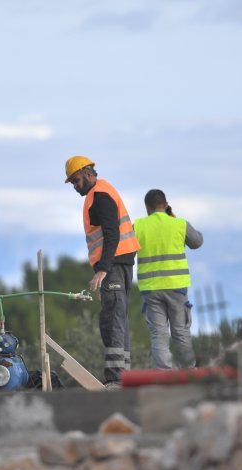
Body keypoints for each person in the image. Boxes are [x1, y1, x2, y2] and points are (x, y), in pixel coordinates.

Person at [64, 155, 140, 386]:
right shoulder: (99, 193)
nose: (75, 186)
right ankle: (122, 375)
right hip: (117, 264)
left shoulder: (100, 195)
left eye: (76, 180)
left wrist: (103, 270)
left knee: (113, 320)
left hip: (114, 264)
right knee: (117, 319)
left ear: (88, 173)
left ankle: (117, 379)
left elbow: (112, 233)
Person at [134, 189, 204, 370]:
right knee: (180, 332)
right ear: (166, 205)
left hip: (150, 289)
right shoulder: (179, 224)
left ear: (147, 207)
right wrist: (173, 217)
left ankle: (165, 373)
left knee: (159, 334)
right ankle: (187, 372)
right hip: (176, 288)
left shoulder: (139, 225)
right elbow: (197, 242)